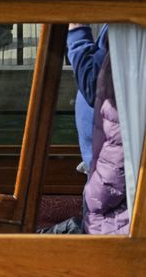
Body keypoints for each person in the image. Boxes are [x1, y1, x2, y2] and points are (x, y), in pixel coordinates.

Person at [67, 23, 129, 235]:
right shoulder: (120, 25)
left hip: (107, 181)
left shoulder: (128, 26)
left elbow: (93, 85)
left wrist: (77, 32)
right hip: (102, 167)